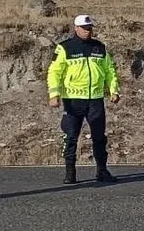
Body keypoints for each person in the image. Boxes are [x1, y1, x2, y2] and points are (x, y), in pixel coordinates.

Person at [46, 14, 121, 184]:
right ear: (76, 28)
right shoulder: (64, 48)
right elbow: (54, 72)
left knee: (99, 137)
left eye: (90, 28)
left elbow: (109, 70)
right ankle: (70, 172)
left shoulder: (99, 47)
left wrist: (113, 90)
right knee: (71, 136)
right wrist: (54, 95)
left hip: (95, 99)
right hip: (73, 100)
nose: (88, 31)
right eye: (85, 28)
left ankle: (102, 171)